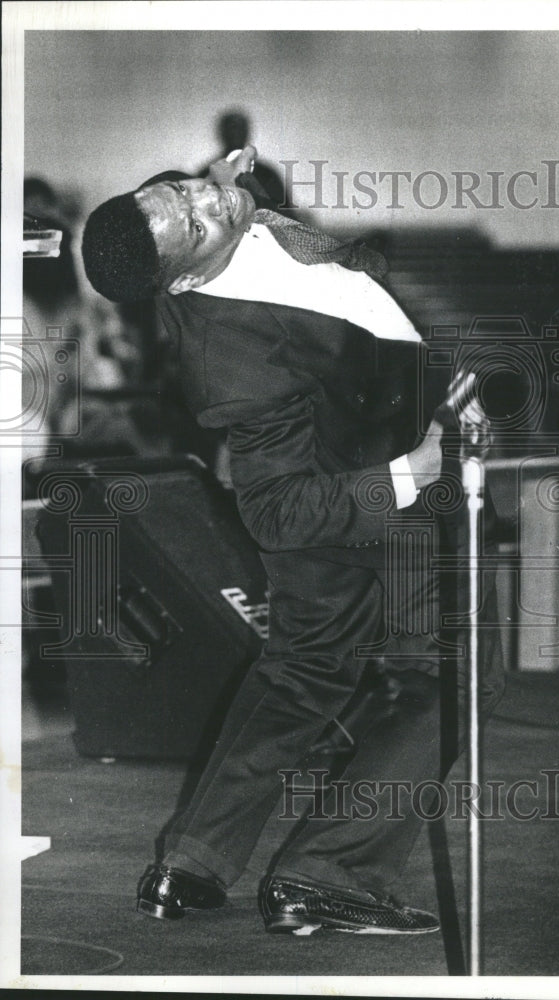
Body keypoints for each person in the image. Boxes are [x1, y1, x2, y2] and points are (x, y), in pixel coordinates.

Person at [81, 145, 505, 936]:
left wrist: (235, 183)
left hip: (365, 445)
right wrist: (415, 467)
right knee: (451, 678)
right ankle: (329, 874)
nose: (209, 199)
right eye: (195, 215)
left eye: (187, 188)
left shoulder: (219, 224)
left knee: (303, 677)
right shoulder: (233, 362)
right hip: (360, 502)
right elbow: (275, 509)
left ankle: (193, 862)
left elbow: (231, 217)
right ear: (182, 279)